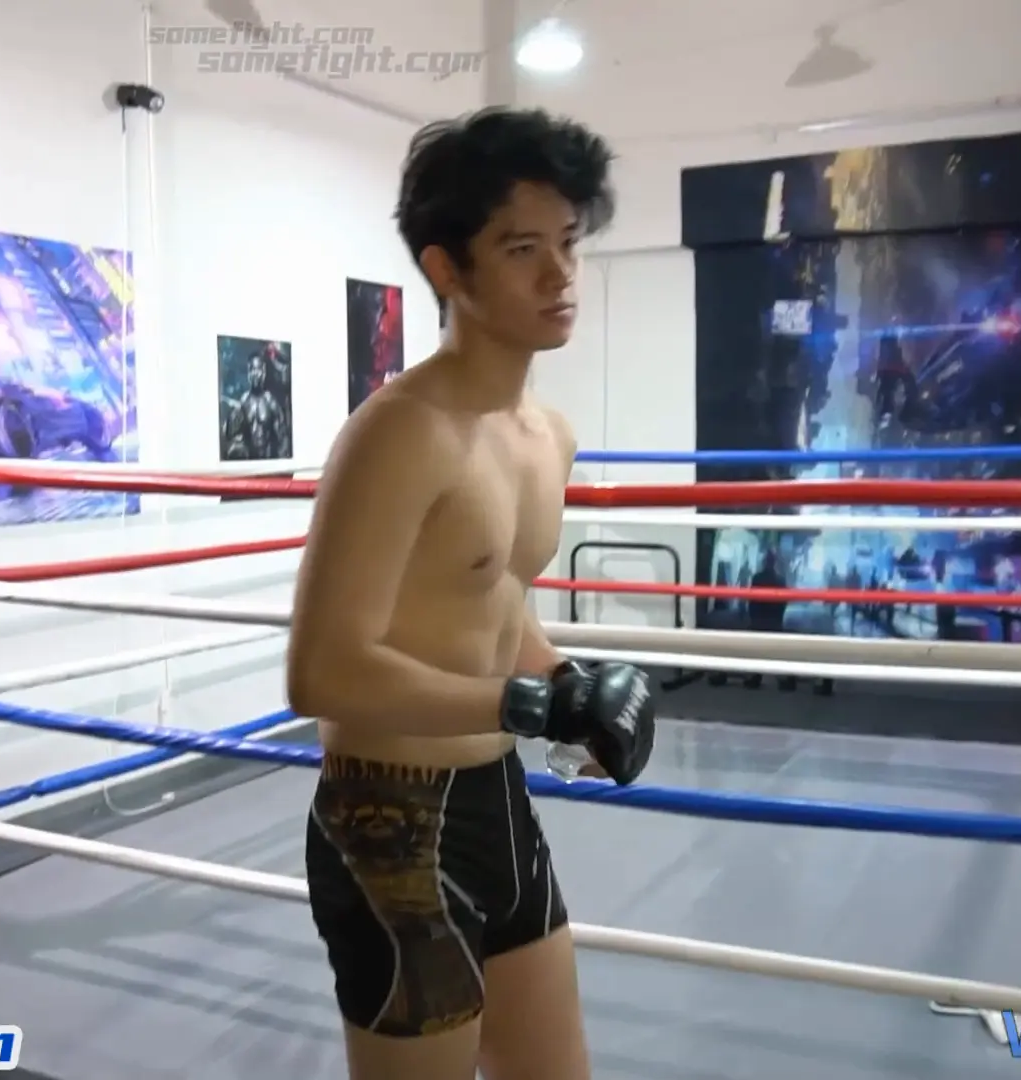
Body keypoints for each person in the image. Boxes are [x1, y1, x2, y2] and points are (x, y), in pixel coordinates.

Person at [285, 107, 658, 1080]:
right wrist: (525, 703)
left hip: (498, 799)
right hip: (390, 820)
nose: (559, 275)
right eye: (523, 249)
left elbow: (495, 599)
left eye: (568, 243)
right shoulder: (401, 433)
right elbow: (323, 672)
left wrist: (569, 682)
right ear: (448, 269)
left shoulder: (548, 435)